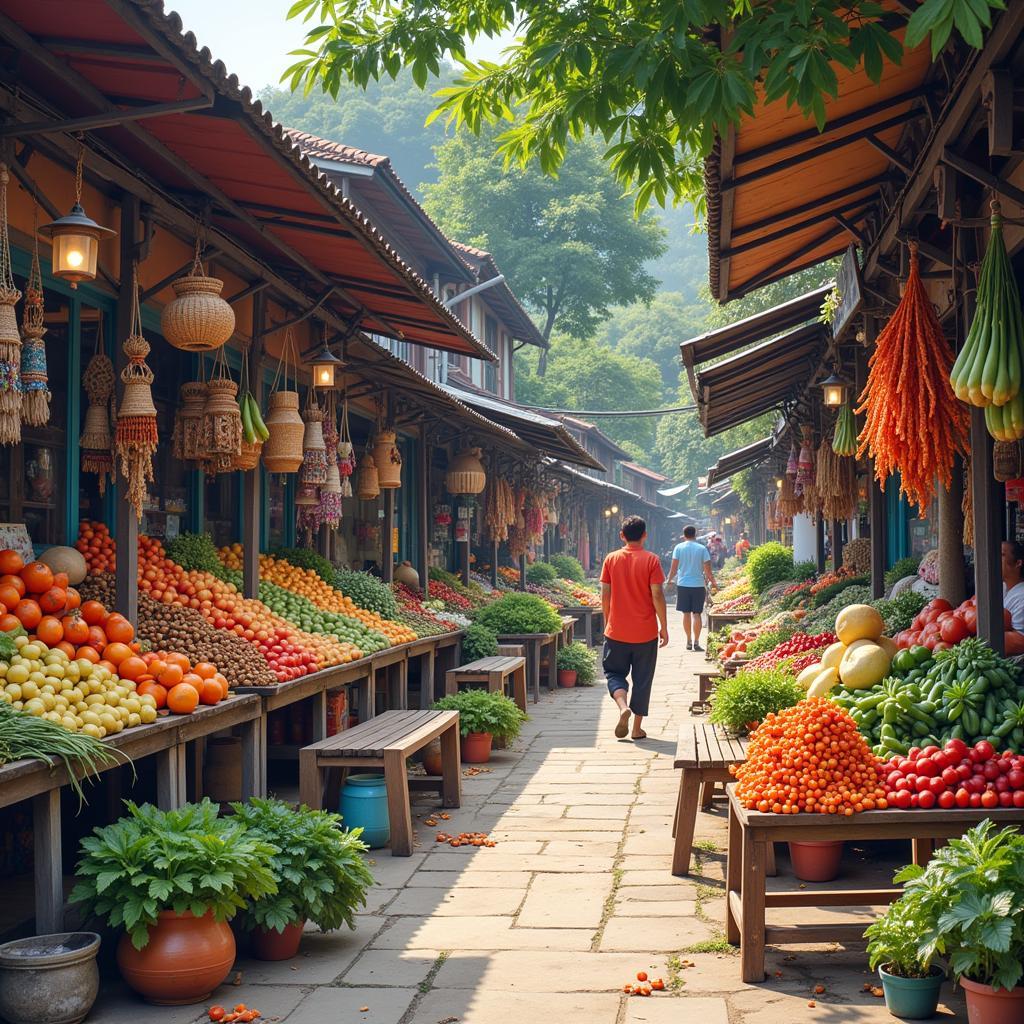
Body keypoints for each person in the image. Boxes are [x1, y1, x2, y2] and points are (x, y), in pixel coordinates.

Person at [600, 515, 668, 742]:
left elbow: (605, 594)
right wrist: (664, 626)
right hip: (645, 632)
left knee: (613, 673)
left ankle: (622, 707)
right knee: (643, 679)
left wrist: (608, 620)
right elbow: (657, 594)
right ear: (645, 535)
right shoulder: (652, 560)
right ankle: (637, 728)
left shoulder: (611, 559)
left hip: (616, 631)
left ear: (622, 535)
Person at [668, 525, 717, 651]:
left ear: (683, 535)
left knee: (686, 614)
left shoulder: (678, 548)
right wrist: (714, 584)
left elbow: (673, 568)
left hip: (683, 584)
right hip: (698, 585)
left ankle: (688, 641)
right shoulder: (702, 549)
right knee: (697, 614)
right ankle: (696, 642)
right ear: (696, 534)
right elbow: (708, 571)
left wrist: (669, 580)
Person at [1001, 540, 1024, 631]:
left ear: (1018, 563)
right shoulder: (1001, 587)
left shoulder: (1022, 597)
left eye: (1002, 554)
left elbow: (1019, 640)